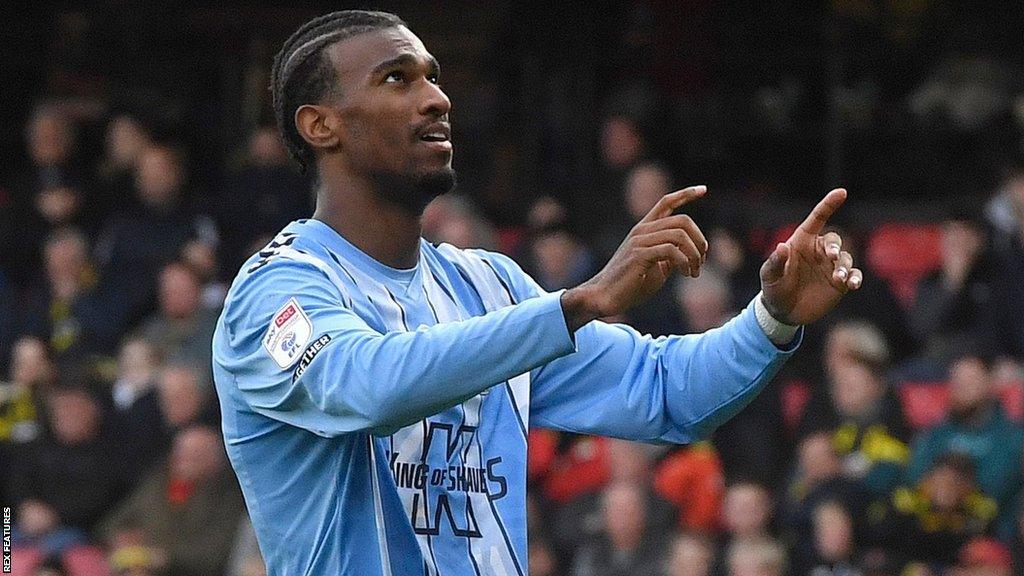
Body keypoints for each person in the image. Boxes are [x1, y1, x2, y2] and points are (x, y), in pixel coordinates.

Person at [212, 10, 863, 575]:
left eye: (434, 76)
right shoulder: (276, 292)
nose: (436, 98)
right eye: (396, 78)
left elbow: (665, 392)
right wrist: (577, 303)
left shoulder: (487, 284)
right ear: (320, 126)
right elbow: (370, 388)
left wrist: (770, 319)